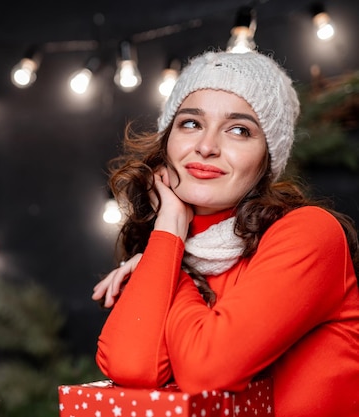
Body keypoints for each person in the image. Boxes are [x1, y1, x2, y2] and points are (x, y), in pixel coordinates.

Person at [91, 49, 359, 416]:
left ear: (267, 158)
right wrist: (168, 237)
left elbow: (207, 369)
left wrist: (173, 269)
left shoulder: (309, 233)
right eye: (190, 123)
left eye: (239, 130)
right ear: (167, 140)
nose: (206, 146)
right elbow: (131, 366)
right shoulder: (168, 248)